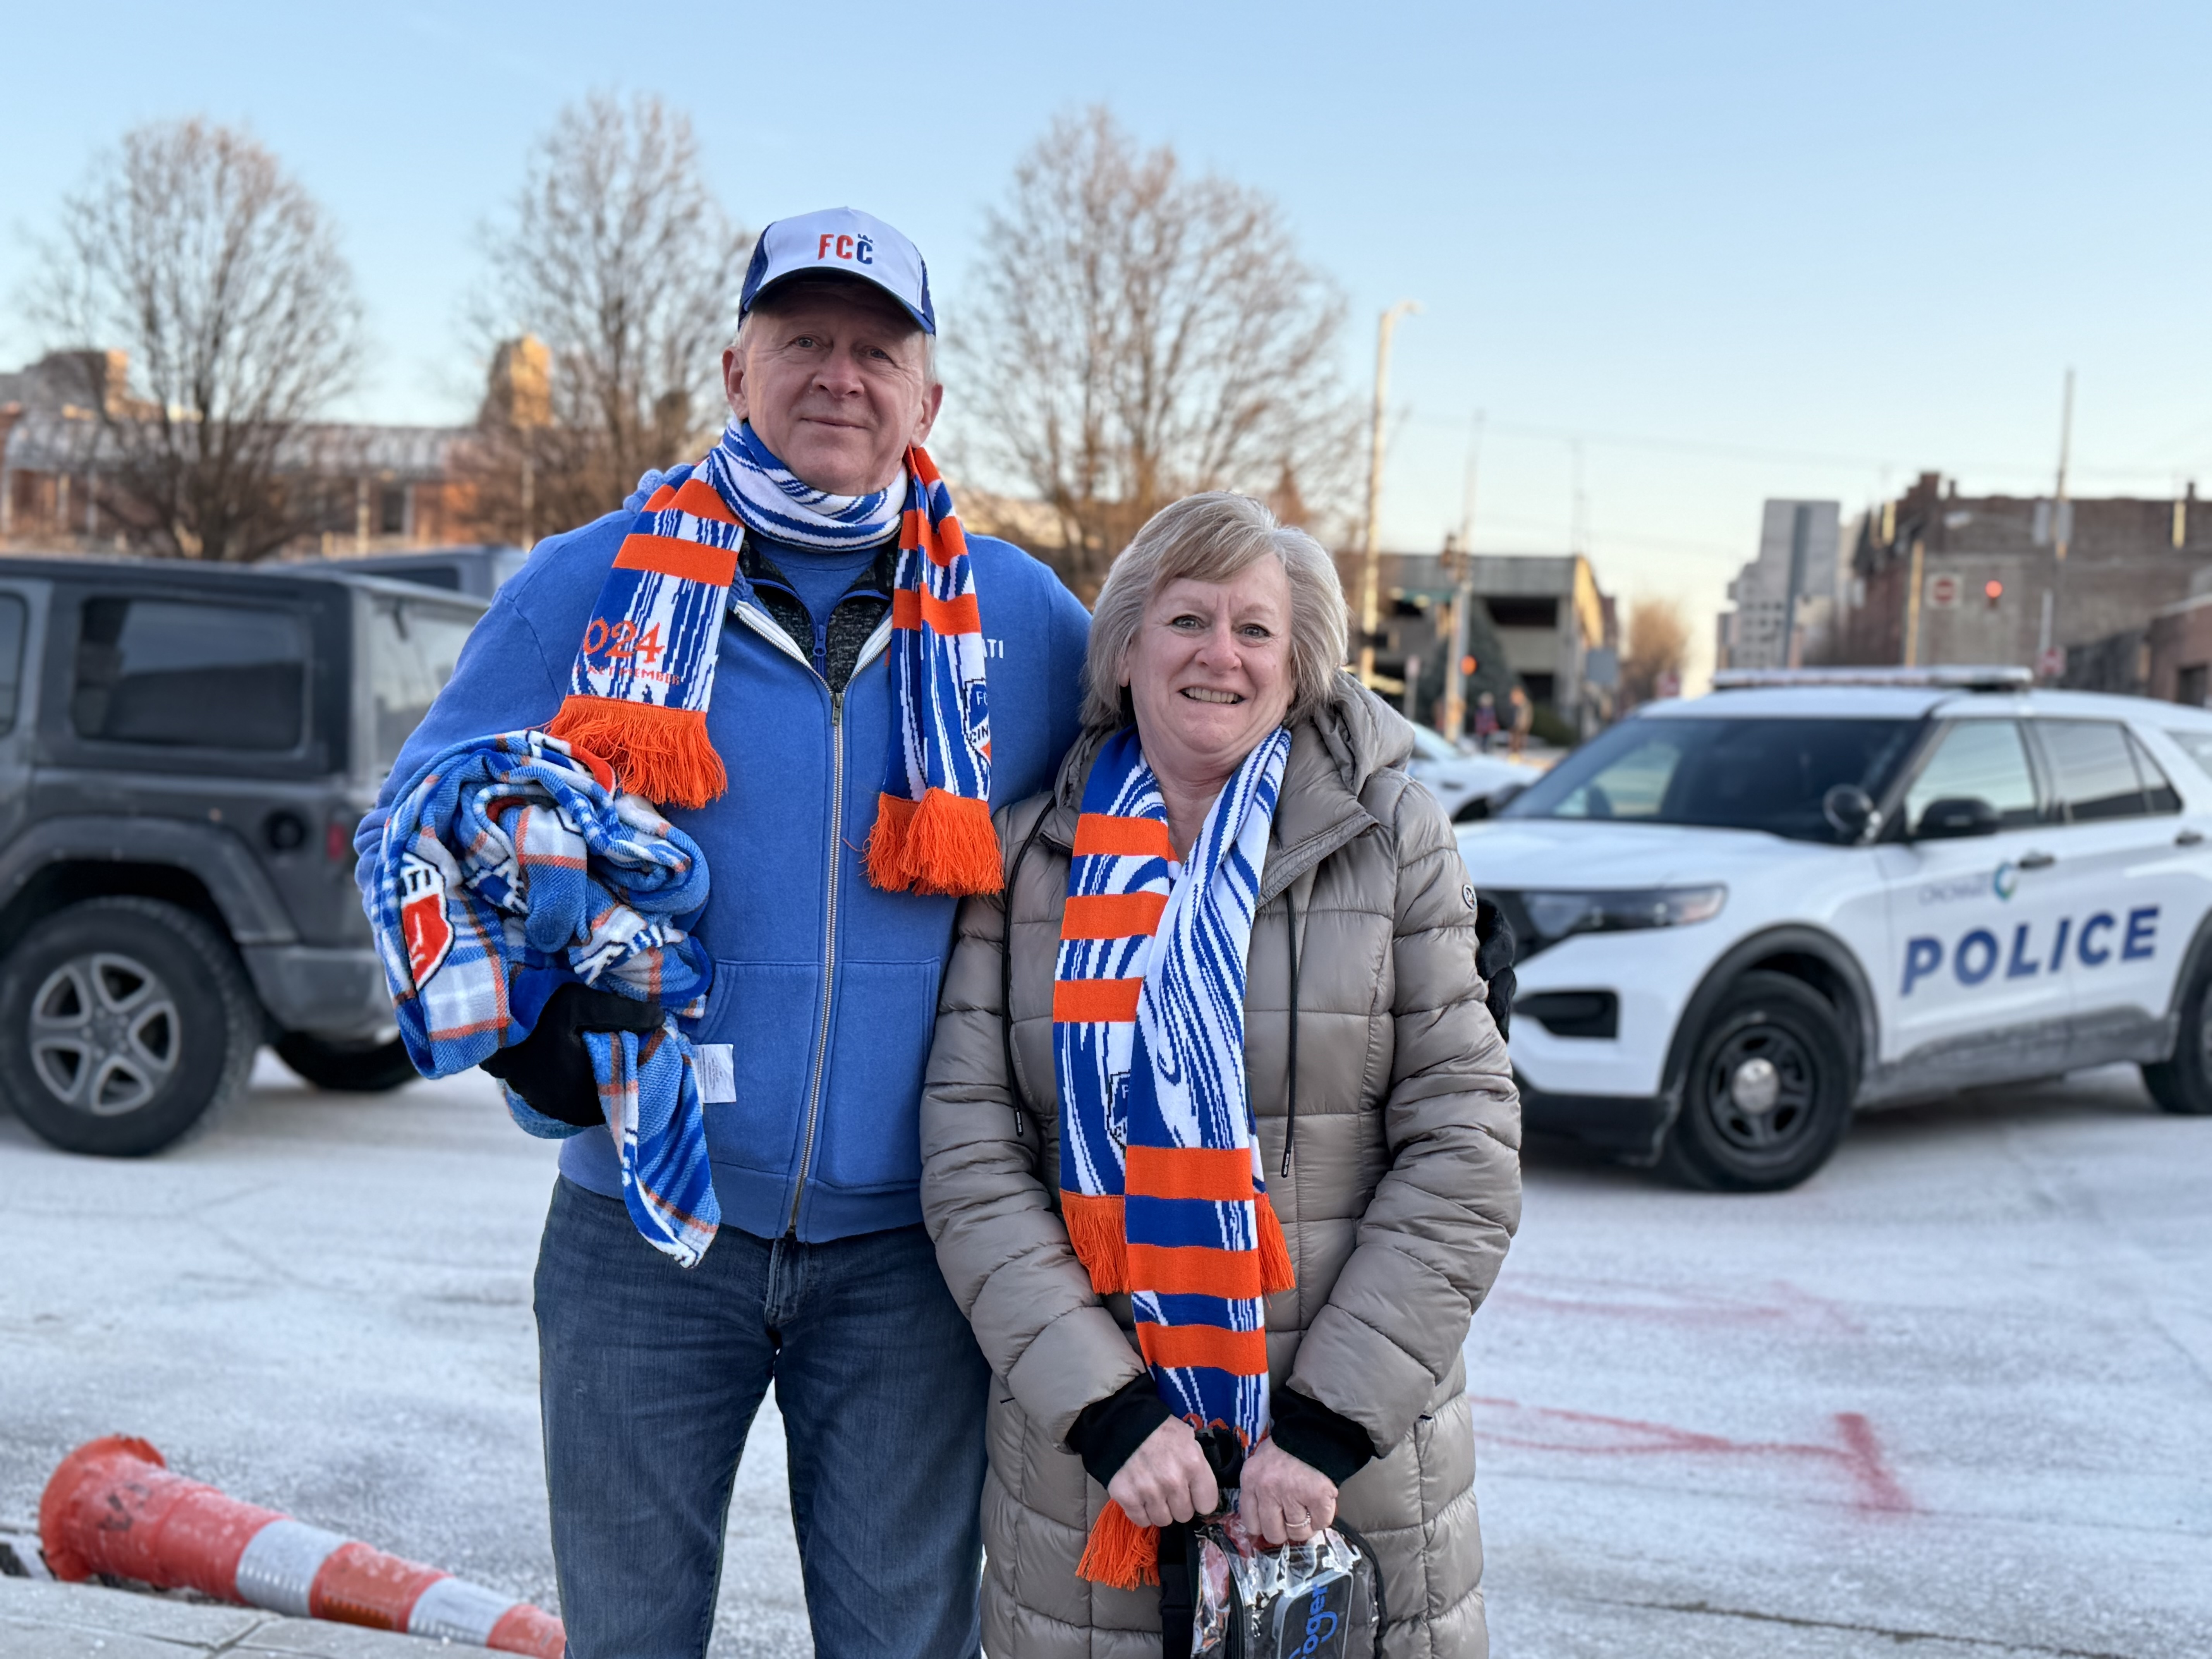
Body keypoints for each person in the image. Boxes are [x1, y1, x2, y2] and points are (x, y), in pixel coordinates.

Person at [358, 208, 1093, 1659]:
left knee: (901, 1644)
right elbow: (413, 829)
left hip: (910, 1256)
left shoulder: (1024, 618)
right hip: (640, 1234)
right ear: (734, 368)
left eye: (875, 348)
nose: (838, 375)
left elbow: (1205, 773)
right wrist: (533, 1032)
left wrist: (1422, 903)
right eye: (801, 341)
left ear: (927, 398)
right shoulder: (589, 580)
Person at [919, 492, 1521, 1658]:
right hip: (1094, 1472)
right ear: (1127, 649)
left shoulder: (1391, 840)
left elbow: (1466, 1150)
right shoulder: (1026, 858)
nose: (1219, 655)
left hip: (1350, 1469)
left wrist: (1322, 1428)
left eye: (1254, 629)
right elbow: (969, 1157)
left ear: (1296, 665)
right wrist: (1109, 1413)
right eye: (1186, 619)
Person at [1507, 683, 1533, 759]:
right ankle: (1513, 755)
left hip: (1521, 725)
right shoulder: (1514, 705)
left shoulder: (1525, 704)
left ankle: (1517, 756)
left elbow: (1526, 717)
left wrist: (1523, 725)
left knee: (1519, 741)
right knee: (1513, 741)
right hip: (1514, 725)